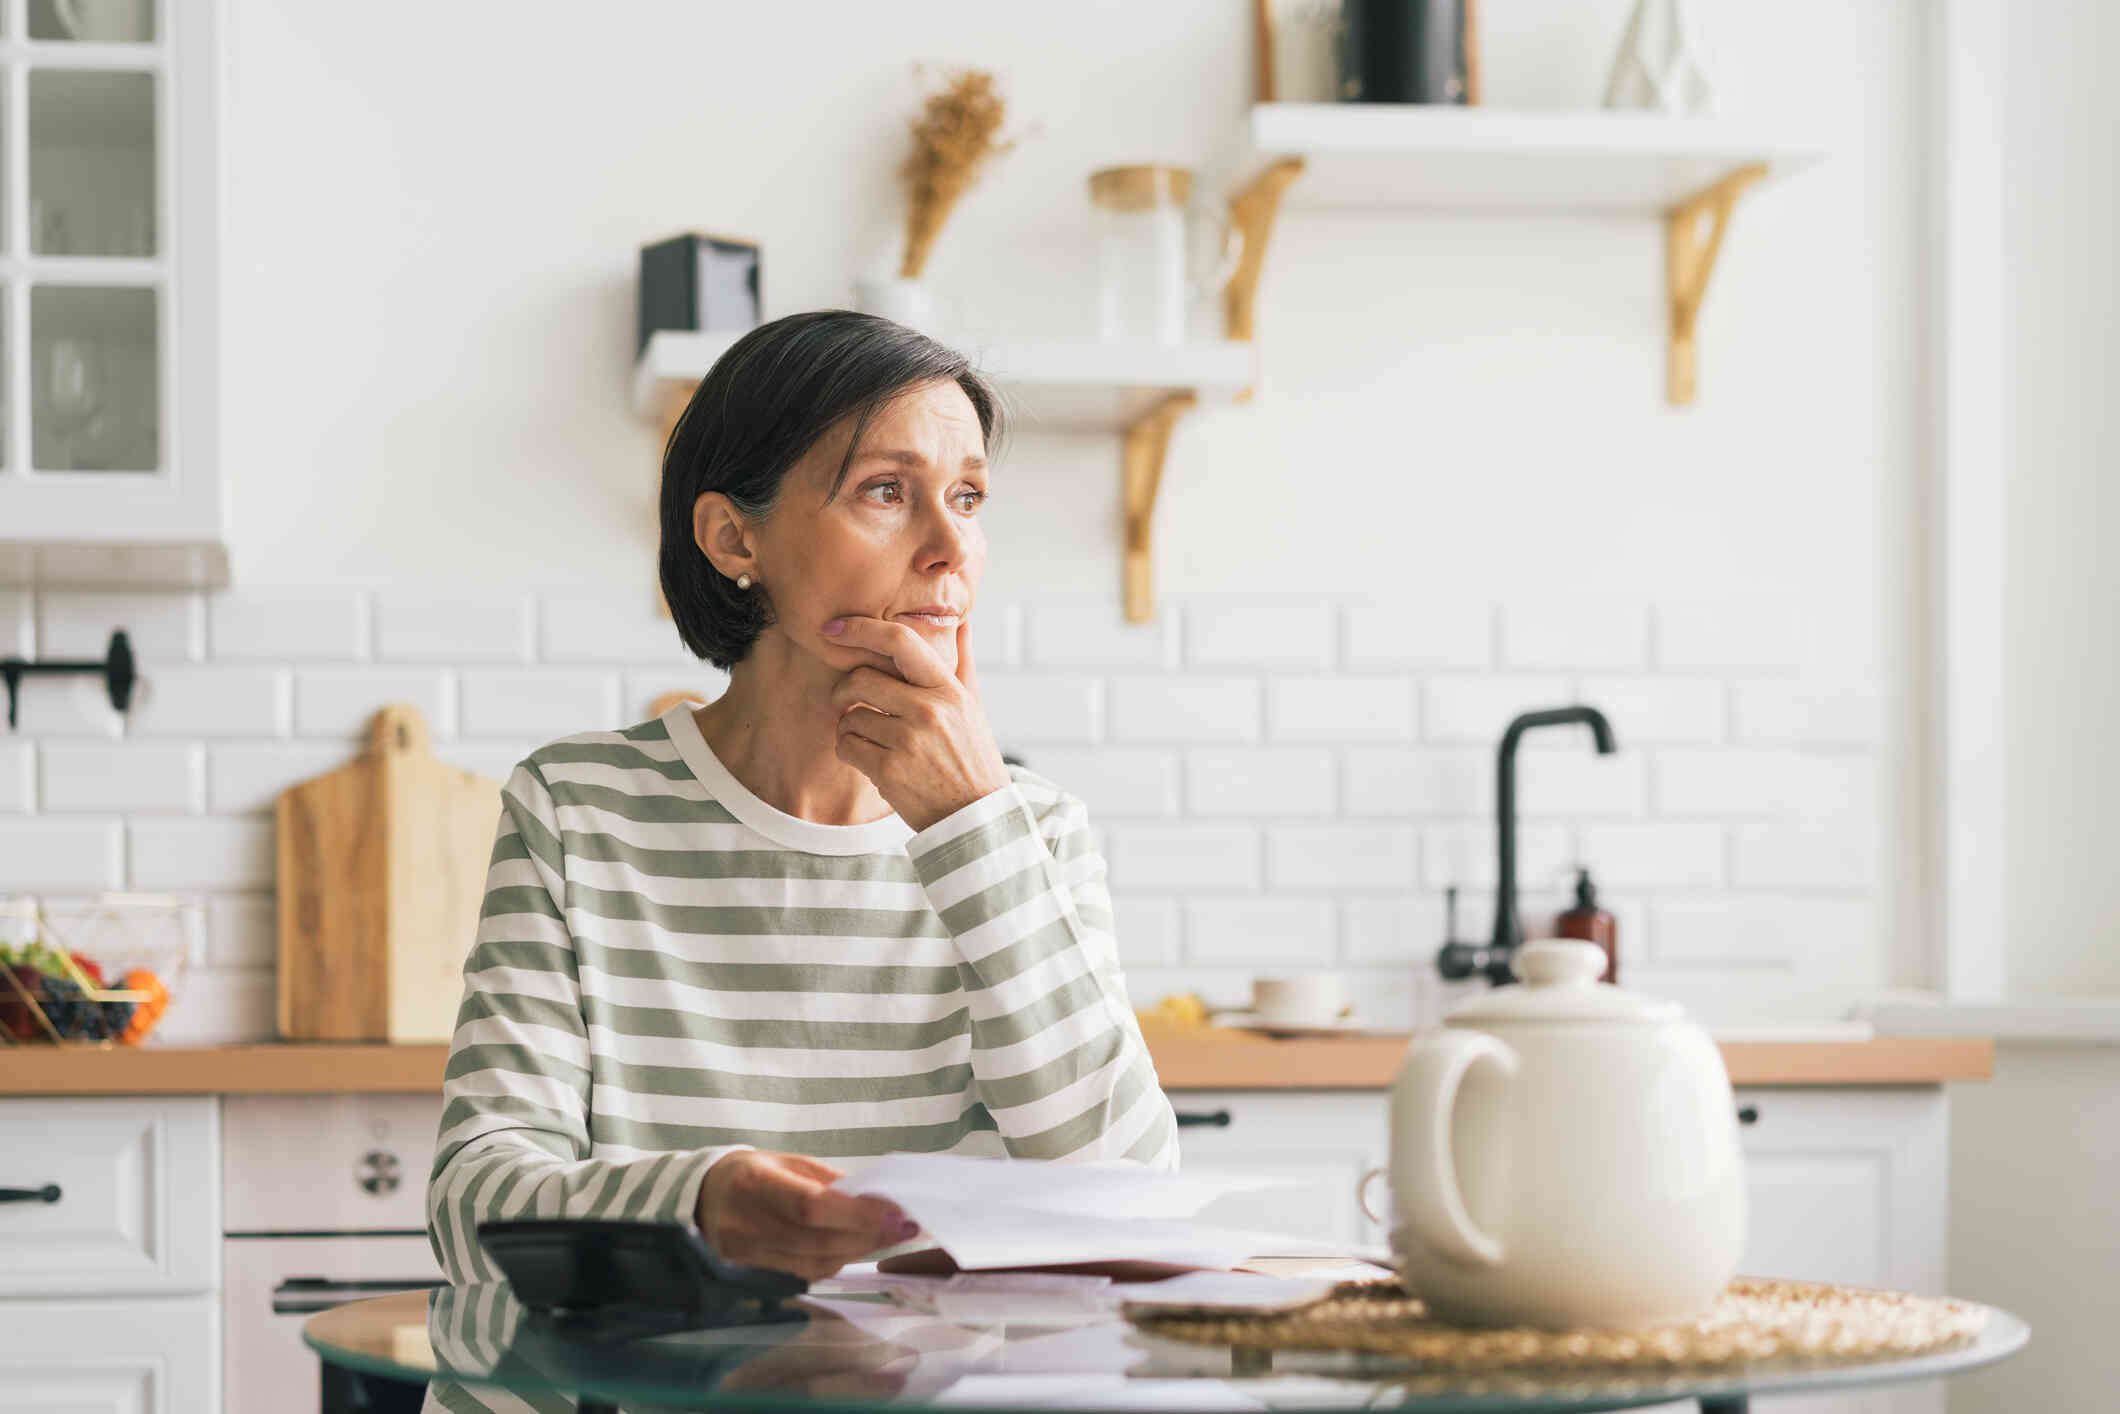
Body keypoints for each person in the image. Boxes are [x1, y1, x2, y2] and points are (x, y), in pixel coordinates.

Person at [422, 310, 1179, 1360]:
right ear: (736, 538)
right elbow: (473, 1207)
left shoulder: (1031, 834)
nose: (951, 545)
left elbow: (1129, 1209)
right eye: (885, 490)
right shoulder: (575, 809)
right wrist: (691, 1205)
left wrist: (970, 827)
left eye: (966, 496)